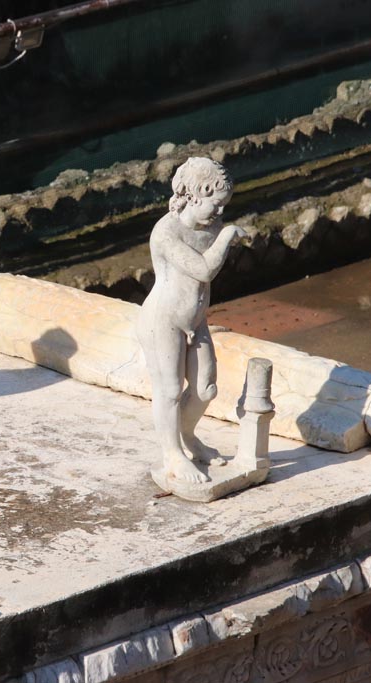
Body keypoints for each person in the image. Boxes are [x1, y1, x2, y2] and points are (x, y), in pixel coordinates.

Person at [136, 157, 247, 484]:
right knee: (169, 389)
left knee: (205, 388)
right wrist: (227, 237)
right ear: (196, 195)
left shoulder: (210, 227)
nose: (220, 213)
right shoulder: (167, 232)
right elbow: (203, 269)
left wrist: (220, 232)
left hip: (195, 321)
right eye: (215, 204)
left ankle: (188, 437)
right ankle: (173, 455)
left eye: (224, 207)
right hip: (162, 320)